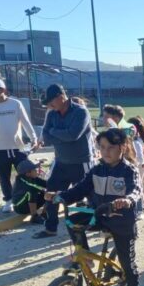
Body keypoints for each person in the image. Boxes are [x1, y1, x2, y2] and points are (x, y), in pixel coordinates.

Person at [47, 128, 144, 286]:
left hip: (121, 221)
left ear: (122, 148)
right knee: (72, 220)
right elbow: (80, 189)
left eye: (111, 147)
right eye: (102, 147)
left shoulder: (128, 170)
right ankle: (85, 254)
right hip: (98, 215)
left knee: (128, 263)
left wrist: (127, 200)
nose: (106, 151)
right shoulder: (96, 170)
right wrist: (60, 196)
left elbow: (136, 190)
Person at [35, 84, 97, 239]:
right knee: (50, 194)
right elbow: (46, 137)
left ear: (60, 97)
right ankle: (50, 228)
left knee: (88, 195)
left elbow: (73, 135)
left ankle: (95, 224)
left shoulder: (81, 112)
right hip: (61, 162)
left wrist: (55, 132)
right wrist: (60, 135)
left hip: (81, 162)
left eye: (51, 102)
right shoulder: (52, 114)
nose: (49, 106)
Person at [0, 77, 37, 213]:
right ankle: (9, 200)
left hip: (18, 148)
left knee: (26, 175)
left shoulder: (15, 104)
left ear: (3, 89)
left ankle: (28, 198)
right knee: (3, 177)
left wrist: (33, 138)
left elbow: (25, 122)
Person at [127, 116, 144, 218]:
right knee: (142, 184)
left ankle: (142, 206)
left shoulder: (137, 139)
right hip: (139, 164)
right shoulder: (139, 138)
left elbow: (140, 155)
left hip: (138, 165)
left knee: (140, 185)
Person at [12, 159, 47, 224]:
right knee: (32, 191)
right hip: (20, 207)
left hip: (27, 203)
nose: (36, 171)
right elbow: (34, 188)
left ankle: (44, 214)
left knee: (50, 191)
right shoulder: (23, 182)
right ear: (28, 173)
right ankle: (34, 217)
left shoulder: (33, 177)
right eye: (34, 170)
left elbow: (47, 184)